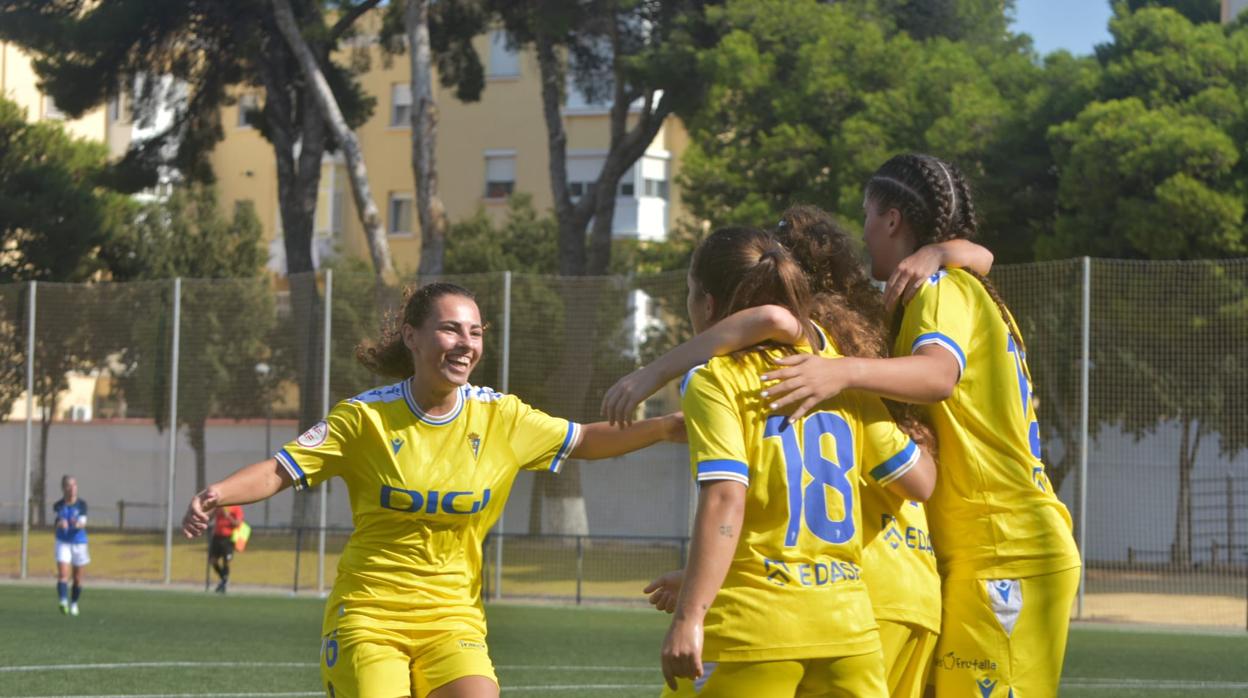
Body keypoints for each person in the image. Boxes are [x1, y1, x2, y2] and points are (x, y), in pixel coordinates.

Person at [182, 281, 684, 698]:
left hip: (453, 619)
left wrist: (664, 427)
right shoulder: (365, 419)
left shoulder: (503, 417)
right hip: (369, 615)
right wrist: (216, 493)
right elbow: (281, 468)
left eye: (475, 332)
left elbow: (586, 440)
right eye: (450, 329)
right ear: (412, 337)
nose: (465, 343)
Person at [616, 206, 993, 698]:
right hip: (848, 630)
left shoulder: (715, 381)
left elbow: (727, 500)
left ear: (707, 305)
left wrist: (691, 614)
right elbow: (920, 481)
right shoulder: (838, 374)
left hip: (758, 626)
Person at [758, 155, 1081, 697]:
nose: (862, 233)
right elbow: (981, 258)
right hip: (987, 551)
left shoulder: (941, 288)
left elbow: (938, 375)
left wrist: (839, 372)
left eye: (867, 216)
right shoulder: (951, 280)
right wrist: (944, 250)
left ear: (891, 220)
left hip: (1006, 551)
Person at [53, 475, 89, 616]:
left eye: (74, 485)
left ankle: (74, 603)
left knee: (78, 579)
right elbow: (56, 521)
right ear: (63, 488)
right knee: (63, 574)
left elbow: (83, 522)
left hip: (79, 543)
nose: (72, 488)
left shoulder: (82, 505)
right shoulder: (59, 505)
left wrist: (77, 524)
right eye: (69, 485)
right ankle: (63, 601)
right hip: (63, 542)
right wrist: (60, 524)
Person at [208, 504, 244, 593]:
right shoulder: (220, 506)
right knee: (213, 560)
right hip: (217, 537)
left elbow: (238, 523)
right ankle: (224, 580)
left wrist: (227, 516)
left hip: (228, 538)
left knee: (226, 562)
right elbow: (210, 519)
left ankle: (223, 583)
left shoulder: (236, 507)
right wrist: (214, 511)